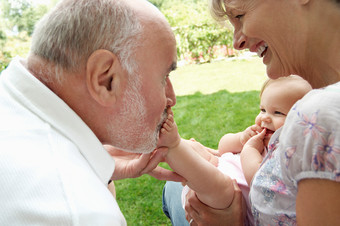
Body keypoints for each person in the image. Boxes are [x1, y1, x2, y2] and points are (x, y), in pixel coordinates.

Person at [0, 0, 182, 225]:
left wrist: (96, 167)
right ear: (105, 79)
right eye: (164, 77)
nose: (171, 98)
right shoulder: (80, 213)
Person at [164, 0, 340, 225]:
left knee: (171, 188)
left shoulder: (317, 118)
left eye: (239, 16)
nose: (237, 42)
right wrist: (214, 155)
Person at [162, 75, 312, 225]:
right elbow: (223, 147)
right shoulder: (262, 136)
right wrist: (241, 138)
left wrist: (250, 149)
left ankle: (173, 146)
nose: (265, 118)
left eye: (278, 113)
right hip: (217, 172)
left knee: (218, 185)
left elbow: (259, 180)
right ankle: (166, 148)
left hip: (224, 203)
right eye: (262, 109)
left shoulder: (288, 154)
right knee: (199, 152)